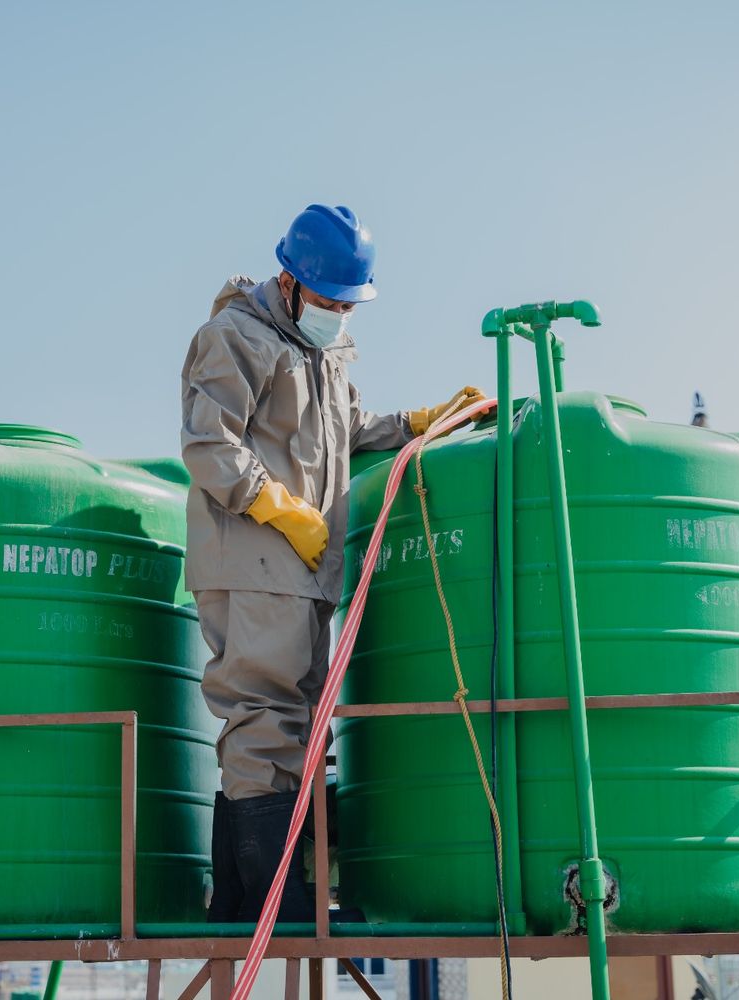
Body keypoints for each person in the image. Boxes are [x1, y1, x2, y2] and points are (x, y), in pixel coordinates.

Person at [180, 203, 487, 921]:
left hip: (300, 566)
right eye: (328, 300)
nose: (339, 313)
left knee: (286, 720)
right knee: (263, 714)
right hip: (256, 556)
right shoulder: (235, 337)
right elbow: (207, 445)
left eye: (349, 304)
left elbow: (344, 429)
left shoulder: (322, 351)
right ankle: (274, 906)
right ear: (288, 281)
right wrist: (277, 506)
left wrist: (416, 422)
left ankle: (242, 901)